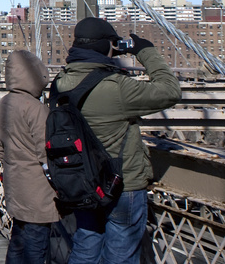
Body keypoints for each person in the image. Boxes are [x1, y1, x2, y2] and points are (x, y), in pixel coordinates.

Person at [55, 17, 181, 264]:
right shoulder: (117, 87)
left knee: (85, 248)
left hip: (81, 181)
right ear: (105, 46)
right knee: (121, 256)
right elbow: (170, 90)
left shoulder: (60, 83)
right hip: (121, 184)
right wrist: (146, 52)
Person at [0, 49, 59, 264]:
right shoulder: (36, 109)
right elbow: (46, 153)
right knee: (36, 246)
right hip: (37, 190)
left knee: (18, 241)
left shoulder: (3, 104)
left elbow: (0, 149)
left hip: (15, 185)